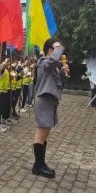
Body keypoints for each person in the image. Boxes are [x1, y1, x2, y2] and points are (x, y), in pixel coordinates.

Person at [32, 38, 70, 179]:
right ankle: (38, 165)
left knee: (45, 132)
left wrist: (62, 72)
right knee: (41, 133)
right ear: (50, 50)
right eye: (56, 48)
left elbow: (57, 83)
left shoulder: (53, 66)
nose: (59, 50)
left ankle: (40, 164)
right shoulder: (43, 62)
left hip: (50, 101)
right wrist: (60, 48)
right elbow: (52, 61)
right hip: (44, 100)